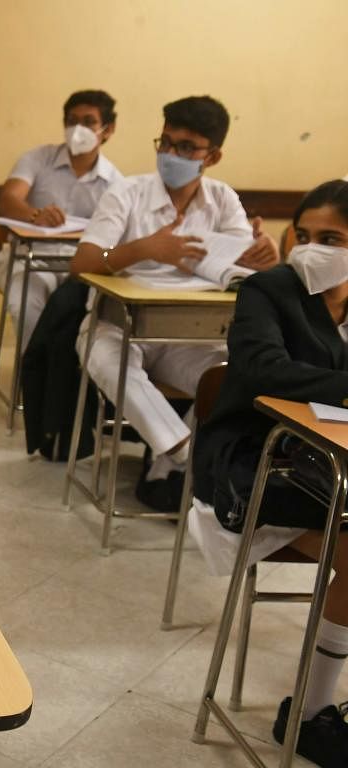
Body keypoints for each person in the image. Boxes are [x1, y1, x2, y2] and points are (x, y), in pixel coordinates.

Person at [190, 180, 348, 768]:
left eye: (330, 239)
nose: (310, 249)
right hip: (260, 461)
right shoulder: (267, 290)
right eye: (303, 236)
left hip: (333, 460)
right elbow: (262, 372)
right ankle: (309, 715)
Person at [70, 95, 280, 511]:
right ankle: (186, 456)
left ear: (212, 156)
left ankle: (167, 471)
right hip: (117, 325)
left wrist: (263, 256)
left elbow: (241, 266)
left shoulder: (222, 200)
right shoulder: (127, 192)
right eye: (165, 142)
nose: (170, 154)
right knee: (112, 361)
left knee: (232, 378)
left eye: (186, 148)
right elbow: (82, 264)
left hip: (188, 335)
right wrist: (144, 249)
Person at [0, 89, 123, 350]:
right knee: (25, 303)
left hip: (79, 267)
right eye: (72, 120)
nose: (78, 128)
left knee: (93, 313)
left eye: (89, 122)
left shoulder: (115, 182)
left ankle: (63, 378)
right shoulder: (37, 159)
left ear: (108, 130)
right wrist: (35, 215)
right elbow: (8, 200)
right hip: (26, 257)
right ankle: (33, 377)